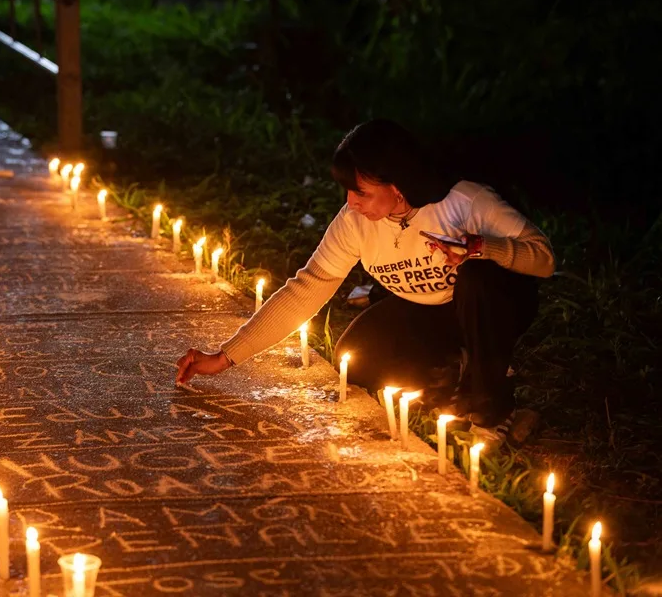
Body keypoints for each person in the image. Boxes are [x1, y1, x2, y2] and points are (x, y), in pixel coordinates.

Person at [175, 119, 555, 444]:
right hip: (426, 314)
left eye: (361, 191)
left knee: (477, 278)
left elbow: (544, 258)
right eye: (349, 190)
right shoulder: (354, 222)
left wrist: (481, 247)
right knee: (355, 363)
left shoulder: (464, 202)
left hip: (491, 305)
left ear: (398, 186)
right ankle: (458, 366)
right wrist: (226, 357)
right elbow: (309, 286)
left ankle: (492, 407)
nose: (351, 202)